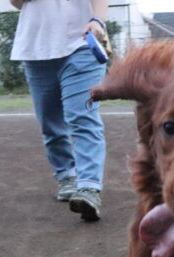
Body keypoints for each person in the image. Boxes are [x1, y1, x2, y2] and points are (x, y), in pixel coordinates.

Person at [10, 0, 109, 222]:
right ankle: (66, 176)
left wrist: (98, 20)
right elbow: (16, 3)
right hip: (36, 50)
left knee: (83, 117)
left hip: (82, 44)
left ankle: (88, 187)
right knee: (50, 123)